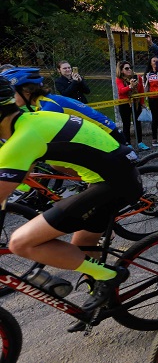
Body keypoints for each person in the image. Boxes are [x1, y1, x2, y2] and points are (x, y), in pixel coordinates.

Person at [0, 77, 141, 316]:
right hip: (118, 175)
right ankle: (101, 301)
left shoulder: (22, 139)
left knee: (20, 242)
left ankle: (110, 276)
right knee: (81, 248)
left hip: (113, 183)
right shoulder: (31, 119)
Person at [1, 67, 127, 145]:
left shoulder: (49, 107)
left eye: (13, 93)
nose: (11, 97)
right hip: (104, 134)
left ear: (26, 92)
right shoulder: (45, 102)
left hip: (109, 136)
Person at [116, 61, 148, 150]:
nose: (129, 70)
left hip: (136, 102)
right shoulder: (119, 79)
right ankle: (128, 143)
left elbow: (141, 90)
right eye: (126, 68)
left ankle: (140, 142)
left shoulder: (137, 77)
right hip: (124, 103)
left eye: (130, 68)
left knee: (137, 122)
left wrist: (142, 102)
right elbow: (121, 90)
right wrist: (130, 86)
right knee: (126, 124)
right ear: (121, 70)